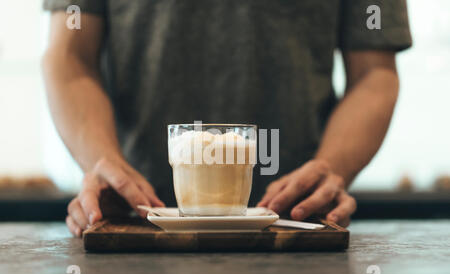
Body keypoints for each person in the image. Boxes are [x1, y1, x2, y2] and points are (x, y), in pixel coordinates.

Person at [42, 0, 412, 236]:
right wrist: (104, 165)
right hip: (134, 222)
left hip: (297, 226)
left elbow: (373, 74)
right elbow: (70, 57)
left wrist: (331, 168)